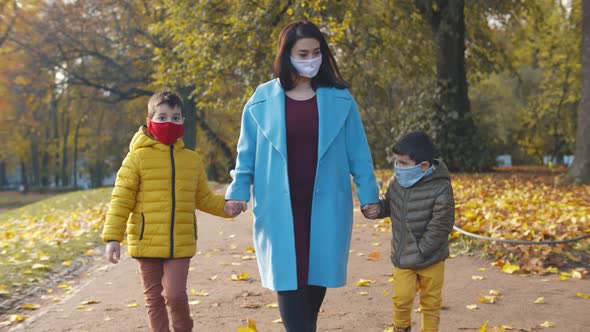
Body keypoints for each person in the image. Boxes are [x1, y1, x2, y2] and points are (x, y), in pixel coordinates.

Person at [224, 20, 381, 332]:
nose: (311, 59)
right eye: (303, 53)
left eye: (316, 52)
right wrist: (238, 191)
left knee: (313, 294)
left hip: (326, 209)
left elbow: (359, 154)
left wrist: (369, 196)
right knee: (291, 293)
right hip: (280, 211)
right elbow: (247, 154)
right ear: (287, 55)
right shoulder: (261, 100)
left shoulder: (340, 99)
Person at [102, 91, 238, 332]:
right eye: (162, 117)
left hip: (180, 241)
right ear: (149, 120)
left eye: (176, 118)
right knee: (153, 298)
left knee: (175, 295)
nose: (169, 122)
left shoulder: (192, 160)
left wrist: (226, 207)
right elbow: (120, 200)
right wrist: (113, 237)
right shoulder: (135, 159)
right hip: (146, 240)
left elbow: (203, 198)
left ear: (183, 121)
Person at [368, 131, 455, 332]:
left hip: (431, 258)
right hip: (403, 256)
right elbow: (388, 205)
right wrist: (377, 210)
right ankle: (401, 327)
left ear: (423, 166)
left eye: (404, 163)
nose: (398, 168)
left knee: (431, 302)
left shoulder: (441, 188)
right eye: (396, 162)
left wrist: (422, 250)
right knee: (401, 297)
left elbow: (441, 225)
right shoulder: (396, 183)